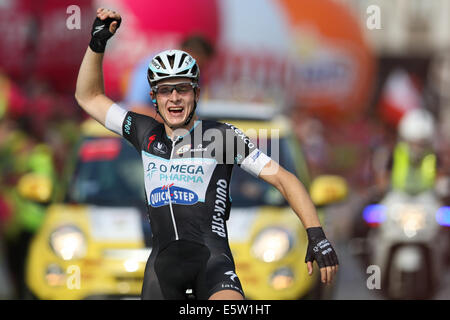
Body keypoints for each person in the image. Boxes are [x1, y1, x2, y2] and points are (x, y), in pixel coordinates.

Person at [75, 8, 338, 300]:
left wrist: (316, 235)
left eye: (183, 89)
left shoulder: (220, 137)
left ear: (197, 94)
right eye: (165, 91)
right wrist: (97, 44)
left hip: (213, 266)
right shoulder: (144, 133)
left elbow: (285, 180)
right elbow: (88, 97)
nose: (174, 98)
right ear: (154, 98)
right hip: (162, 273)